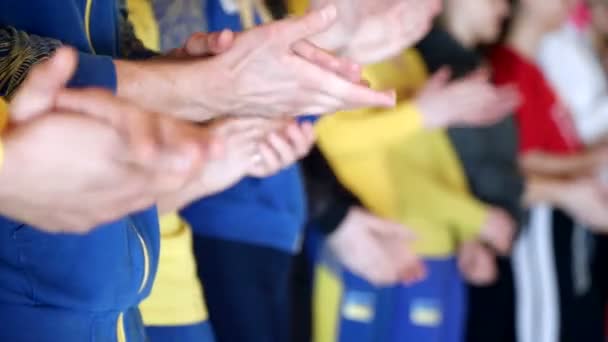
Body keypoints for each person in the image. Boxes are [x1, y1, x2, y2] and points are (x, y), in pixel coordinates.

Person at [491, 0, 608, 341]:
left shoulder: (537, 72)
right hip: (538, 230)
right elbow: (517, 162)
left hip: (570, 230)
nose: (573, 4)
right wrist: (595, 160)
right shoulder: (508, 71)